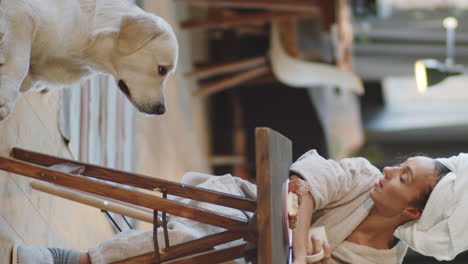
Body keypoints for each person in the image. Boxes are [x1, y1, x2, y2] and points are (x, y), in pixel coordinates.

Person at [12, 149, 468, 264]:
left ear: (412, 213)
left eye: (403, 178)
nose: (389, 172)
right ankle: (73, 260)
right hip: (243, 216)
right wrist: (301, 232)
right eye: (400, 166)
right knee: (217, 236)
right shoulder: (364, 175)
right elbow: (305, 180)